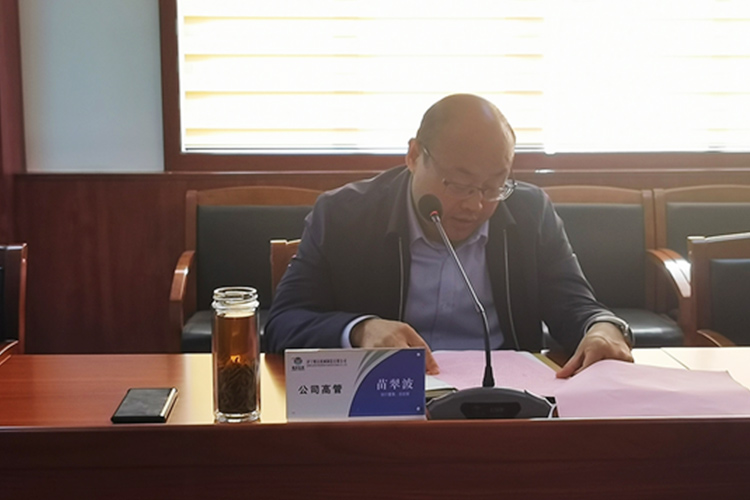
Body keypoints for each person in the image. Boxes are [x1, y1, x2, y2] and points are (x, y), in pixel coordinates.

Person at [265, 94, 633, 378]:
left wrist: (602, 328)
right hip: (387, 399)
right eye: (458, 183)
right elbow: (283, 323)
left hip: (503, 403)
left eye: (493, 186)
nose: (475, 204)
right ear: (413, 156)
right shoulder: (345, 215)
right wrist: (360, 330)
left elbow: (574, 305)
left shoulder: (530, 212)